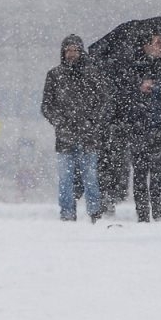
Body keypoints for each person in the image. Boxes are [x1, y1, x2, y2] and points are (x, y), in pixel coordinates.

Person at [41, 34, 110, 222]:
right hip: (65, 137)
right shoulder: (54, 75)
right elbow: (46, 106)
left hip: (88, 136)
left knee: (91, 177)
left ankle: (94, 212)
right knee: (65, 179)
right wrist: (60, 121)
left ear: (81, 51)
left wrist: (92, 121)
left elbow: (104, 101)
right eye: (68, 50)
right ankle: (67, 213)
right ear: (63, 52)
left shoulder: (92, 74)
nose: (72, 54)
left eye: (75, 50)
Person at [117, 32, 161, 222]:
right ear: (146, 46)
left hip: (158, 126)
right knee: (139, 170)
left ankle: (157, 208)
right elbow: (123, 93)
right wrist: (139, 87)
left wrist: (157, 92)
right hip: (137, 126)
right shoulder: (132, 66)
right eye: (157, 43)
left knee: (158, 170)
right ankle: (142, 212)